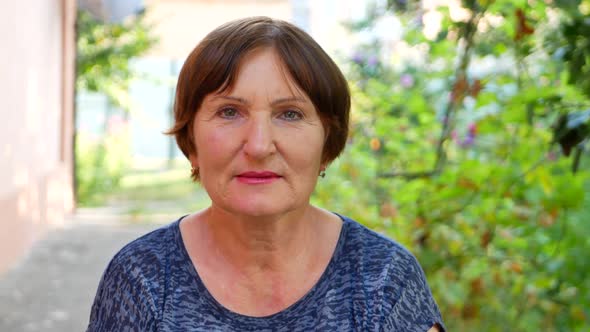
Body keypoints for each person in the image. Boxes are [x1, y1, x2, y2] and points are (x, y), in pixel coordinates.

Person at [87, 16, 445, 332]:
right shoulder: (142, 278)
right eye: (229, 112)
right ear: (190, 140)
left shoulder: (383, 279)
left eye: (289, 114)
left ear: (327, 143)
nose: (259, 146)